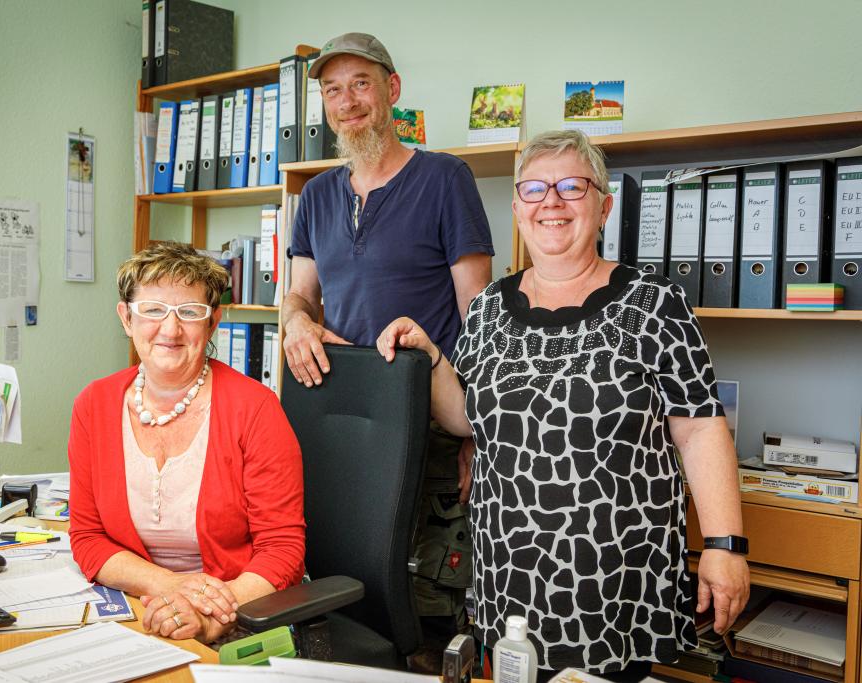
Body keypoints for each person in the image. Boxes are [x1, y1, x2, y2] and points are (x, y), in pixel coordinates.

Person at [377, 130, 750, 680]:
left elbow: (699, 429)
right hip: (511, 584)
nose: (550, 202)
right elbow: (467, 418)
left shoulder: (653, 304)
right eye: (534, 189)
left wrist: (725, 545)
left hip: (616, 585)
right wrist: (430, 357)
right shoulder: (488, 309)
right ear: (518, 209)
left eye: (571, 186)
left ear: (603, 206)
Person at [281, 32, 494, 651]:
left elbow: (477, 316)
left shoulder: (444, 178)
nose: (346, 101)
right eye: (332, 90)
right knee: (345, 592)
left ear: (392, 91)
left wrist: (474, 430)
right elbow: (299, 296)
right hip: (341, 419)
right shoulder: (316, 195)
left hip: (427, 419)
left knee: (427, 609)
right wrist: (295, 320)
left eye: (360, 84)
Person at [69, 242, 305, 644]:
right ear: (126, 318)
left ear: (212, 323)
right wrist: (170, 587)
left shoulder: (256, 409)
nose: (171, 329)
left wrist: (211, 613)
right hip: (137, 608)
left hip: (237, 612)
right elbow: (88, 537)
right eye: (153, 310)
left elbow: (282, 548)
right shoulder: (93, 405)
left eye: (189, 313)